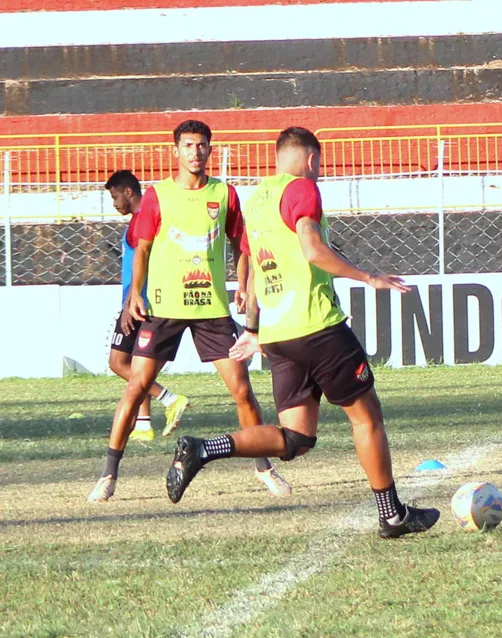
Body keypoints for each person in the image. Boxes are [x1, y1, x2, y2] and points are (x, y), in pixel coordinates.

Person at [164, 126, 439, 539]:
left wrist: (255, 328)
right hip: (317, 328)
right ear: (310, 159)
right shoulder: (301, 189)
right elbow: (312, 249)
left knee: (296, 438)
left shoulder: (257, 200)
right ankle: (392, 514)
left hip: (279, 335)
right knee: (368, 419)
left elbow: (255, 266)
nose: (319, 171)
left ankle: (204, 448)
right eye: (320, 163)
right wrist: (369, 278)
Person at [88, 120, 291, 503]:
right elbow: (143, 249)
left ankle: (264, 468)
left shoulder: (224, 193)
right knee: (136, 386)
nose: (195, 152)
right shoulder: (157, 195)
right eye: (188, 145)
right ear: (176, 151)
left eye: (201, 146)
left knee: (243, 390)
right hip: (162, 309)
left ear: (210, 150)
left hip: (211, 310)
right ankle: (108, 474)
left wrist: (244, 284)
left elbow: (241, 244)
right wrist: (135, 294)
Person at [101, 171, 190, 446]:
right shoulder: (140, 221)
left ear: (128, 192)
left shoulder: (142, 221)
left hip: (138, 302)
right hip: (140, 300)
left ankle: (170, 398)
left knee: (118, 363)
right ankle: (143, 425)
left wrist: (130, 302)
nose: (115, 204)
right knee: (139, 367)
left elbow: (144, 266)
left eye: (115, 197)